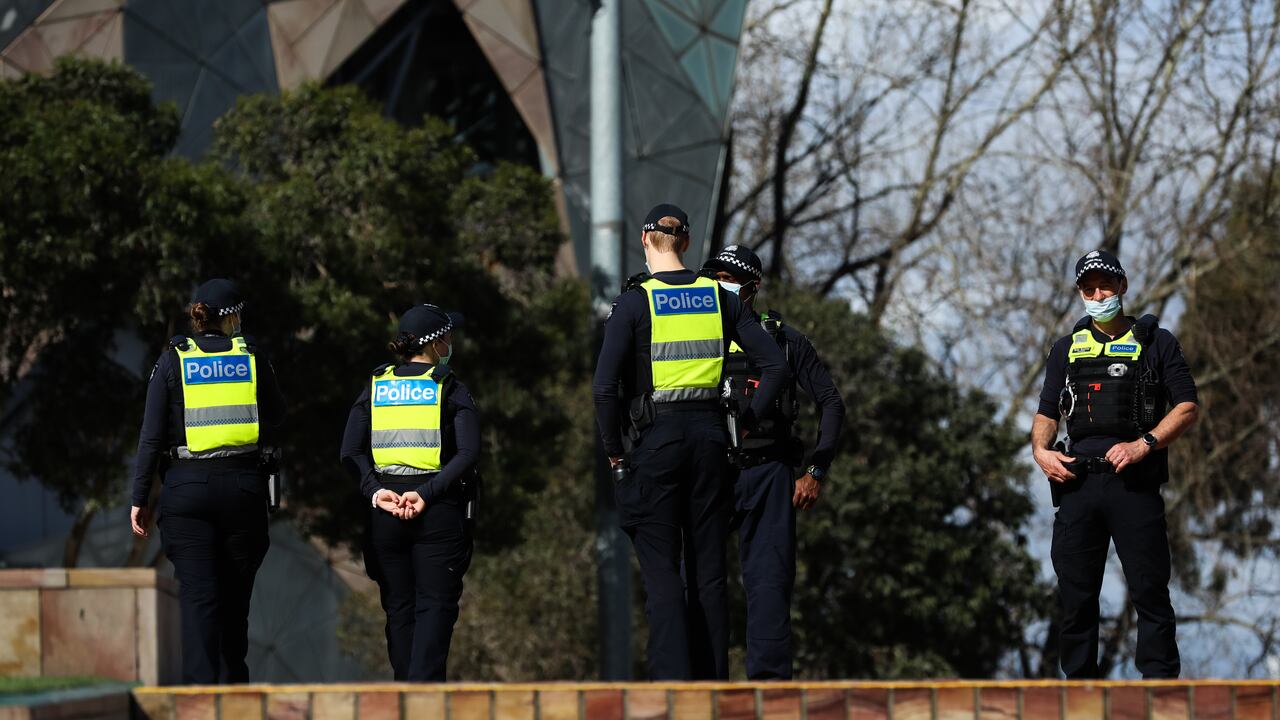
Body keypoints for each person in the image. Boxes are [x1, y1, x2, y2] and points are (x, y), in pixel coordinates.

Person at [593, 204, 791, 680]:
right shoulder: (722, 300)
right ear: (685, 242)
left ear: (645, 240)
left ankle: (672, 690)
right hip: (711, 443)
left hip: (654, 444)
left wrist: (615, 453)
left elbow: (604, 388)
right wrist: (744, 420)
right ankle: (713, 688)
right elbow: (776, 367)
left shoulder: (635, 303)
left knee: (663, 574)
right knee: (709, 574)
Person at [1031, 249, 1200, 679]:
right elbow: (1047, 413)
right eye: (1089, 288)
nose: (1098, 294)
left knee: (1149, 590)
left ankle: (1159, 691)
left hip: (1134, 483)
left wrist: (1145, 444)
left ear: (1122, 286)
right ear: (1080, 294)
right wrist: (1040, 451)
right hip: (1078, 483)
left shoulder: (1156, 341)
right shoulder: (1065, 349)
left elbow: (1186, 408)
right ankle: (1080, 691)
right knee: (1075, 596)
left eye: (1105, 285)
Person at [130, 278, 286, 684]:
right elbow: (278, 415)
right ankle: (235, 696)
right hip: (242, 490)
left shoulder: (173, 358)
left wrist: (139, 497)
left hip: (187, 491)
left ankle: (198, 700)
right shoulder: (251, 355)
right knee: (235, 607)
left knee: (199, 600)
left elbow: (151, 436)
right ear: (233, 316)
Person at [700, 245, 845, 680]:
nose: (717, 284)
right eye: (713, 276)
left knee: (769, 584)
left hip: (769, 472)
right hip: (710, 471)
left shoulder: (785, 339)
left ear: (752, 288)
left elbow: (832, 404)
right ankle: (704, 686)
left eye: (727, 277)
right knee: (701, 582)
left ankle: (770, 692)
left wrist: (816, 471)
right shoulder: (694, 337)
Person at [340, 304, 478, 682]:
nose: (451, 343)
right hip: (436, 510)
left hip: (385, 511)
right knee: (435, 606)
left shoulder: (375, 385)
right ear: (434, 343)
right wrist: (427, 494)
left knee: (399, 608)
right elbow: (468, 453)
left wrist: (376, 492)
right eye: (447, 336)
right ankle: (424, 698)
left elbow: (350, 451)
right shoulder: (449, 386)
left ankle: (405, 694)